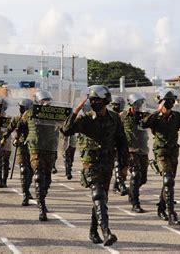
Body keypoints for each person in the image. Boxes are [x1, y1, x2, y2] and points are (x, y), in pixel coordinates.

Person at [61, 85, 128, 246]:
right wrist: (76, 110)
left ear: (105, 100)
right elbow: (66, 130)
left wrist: (124, 165)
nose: (93, 103)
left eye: (96, 100)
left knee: (101, 199)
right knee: (97, 195)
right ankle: (106, 232)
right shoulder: (85, 119)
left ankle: (93, 230)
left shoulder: (114, 118)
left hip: (108, 164)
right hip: (90, 163)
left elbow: (122, 142)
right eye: (91, 100)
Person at [142, 88, 180, 226]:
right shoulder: (154, 117)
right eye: (166, 101)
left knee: (168, 182)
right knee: (168, 180)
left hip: (173, 152)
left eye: (171, 101)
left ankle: (161, 208)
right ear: (161, 101)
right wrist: (158, 110)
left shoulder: (178, 116)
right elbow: (143, 124)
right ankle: (171, 214)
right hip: (160, 152)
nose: (169, 103)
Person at [15, 90, 59, 221]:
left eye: (47, 101)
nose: (46, 103)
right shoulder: (29, 113)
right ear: (38, 102)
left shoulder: (55, 113)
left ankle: (42, 198)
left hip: (50, 149)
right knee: (39, 176)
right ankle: (41, 208)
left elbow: (66, 125)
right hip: (35, 148)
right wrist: (17, 138)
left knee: (47, 179)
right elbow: (20, 126)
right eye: (43, 101)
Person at [1, 98, 34, 205]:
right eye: (20, 107)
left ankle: (27, 189)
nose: (20, 109)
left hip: (33, 147)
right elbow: (9, 129)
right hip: (21, 147)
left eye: (22, 107)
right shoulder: (16, 119)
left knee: (31, 171)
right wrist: (4, 138)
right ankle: (25, 195)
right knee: (24, 170)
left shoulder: (34, 119)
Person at [123, 93, 150, 213]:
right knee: (136, 174)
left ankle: (132, 191)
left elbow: (153, 120)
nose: (139, 106)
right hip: (130, 150)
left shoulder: (144, 116)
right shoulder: (122, 116)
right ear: (131, 104)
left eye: (140, 103)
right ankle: (135, 203)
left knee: (143, 179)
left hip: (143, 150)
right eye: (137, 104)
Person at [110, 95, 128, 196]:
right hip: (113, 143)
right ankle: (121, 185)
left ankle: (117, 185)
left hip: (124, 143)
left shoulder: (124, 115)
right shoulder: (110, 115)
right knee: (117, 163)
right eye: (113, 105)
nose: (114, 107)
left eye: (116, 105)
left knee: (123, 166)